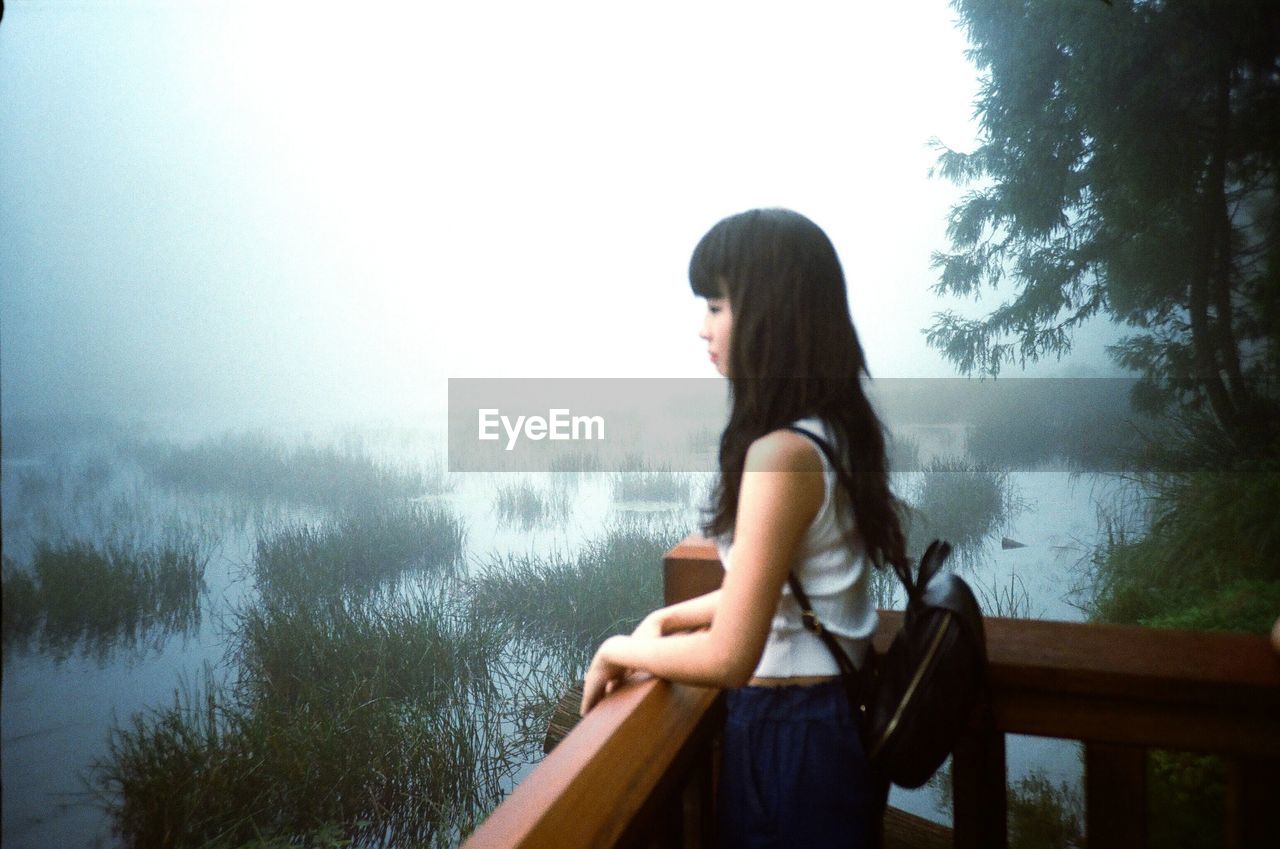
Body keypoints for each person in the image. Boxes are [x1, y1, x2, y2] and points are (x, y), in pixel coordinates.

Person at [579, 208, 905, 849]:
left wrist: (616, 649)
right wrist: (669, 620)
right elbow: (769, 592)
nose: (702, 328)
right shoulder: (826, 434)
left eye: (717, 305)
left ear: (771, 315)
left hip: (793, 735)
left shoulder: (782, 454)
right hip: (818, 724)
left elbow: (732, 654)